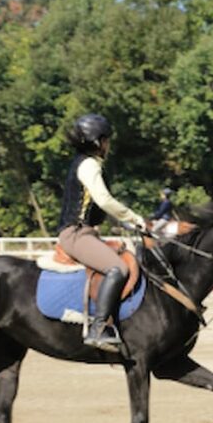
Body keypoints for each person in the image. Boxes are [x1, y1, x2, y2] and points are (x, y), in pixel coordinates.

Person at [58, 114, 146, 352]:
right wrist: (133, 217)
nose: (108, 145)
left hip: (85, 233)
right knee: (118, 269)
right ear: (98, 142)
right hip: (76, 234)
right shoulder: (88, 164)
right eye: (106, 140)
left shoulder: (86, 162)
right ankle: (98, 328)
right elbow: (104, 200)